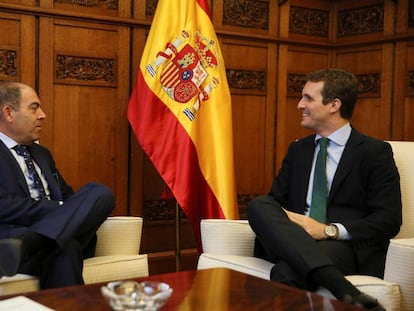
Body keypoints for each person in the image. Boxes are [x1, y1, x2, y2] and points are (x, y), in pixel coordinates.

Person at [247, 69, 402, 310]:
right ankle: (345, 290)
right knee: (259, 205)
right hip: (293, 236)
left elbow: (389, 219)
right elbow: (275, 203)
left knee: (287, 271)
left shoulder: (374, 152)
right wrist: (296, 225)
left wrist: (328, 231)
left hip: (340, 246)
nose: (300, 105)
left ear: (334, 105)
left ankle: (333, 279)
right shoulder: (298, 150)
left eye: (308, 98)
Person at [0, 81, 114, 289]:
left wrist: (64, 209)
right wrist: (62, 209)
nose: (42, 115)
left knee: (99, 193)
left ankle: (33, 241)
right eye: (34, 108)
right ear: (8, 113)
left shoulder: (42, 154)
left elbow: (68, 197)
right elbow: (4, 206)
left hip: (25, 246)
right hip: (11, 244)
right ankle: (39, 239)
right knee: (65, 246)